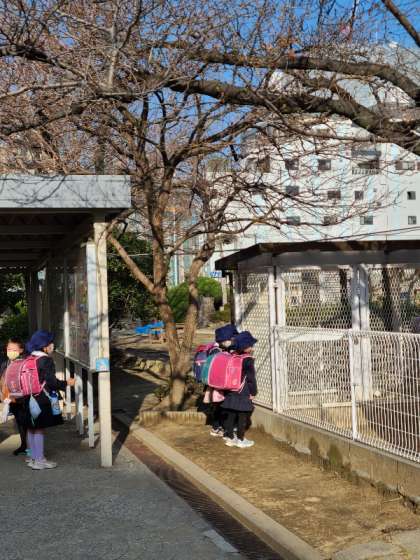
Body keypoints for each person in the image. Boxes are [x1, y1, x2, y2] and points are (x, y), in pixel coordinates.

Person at [23, 330, 75, 470]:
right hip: (41, 398)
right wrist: (66, 383)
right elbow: (52, 382)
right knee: (39, 429)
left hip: (28, 397)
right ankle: (39, 460)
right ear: (44, 346)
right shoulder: (46, 360)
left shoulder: (29, 358)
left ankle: (32, 457)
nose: (52, 345)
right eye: (50, 343)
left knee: (31, 428)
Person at [221, 331, 258, 449]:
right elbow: (251, 378)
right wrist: (253, 392)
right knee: (242, 416)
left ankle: (230, 438)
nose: (252, 347)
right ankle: (241, 439)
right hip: (243, 391)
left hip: (231, 390)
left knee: (231, 414)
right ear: (246, 346)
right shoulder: (248, 360)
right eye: (251, 345)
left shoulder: (233, 356)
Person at [208, 324, 238, 437]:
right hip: (218, 385)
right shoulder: (216, 351)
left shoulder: (222, 349)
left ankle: (220, 427)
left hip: (221, 384)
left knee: (221, 406)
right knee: (219, 406)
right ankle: (217, 427)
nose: (233, 341)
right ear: (225, 340)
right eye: (231, 339)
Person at [0, 338, 28, 456]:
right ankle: (23, 445)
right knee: (19, 421)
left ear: (21, 350)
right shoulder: (5, 363)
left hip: (23, 397)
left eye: (14, 349)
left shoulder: (25, 363)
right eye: (9, 349)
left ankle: (32, 447)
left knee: (27, 421)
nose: (10, 351)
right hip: (10, 398)